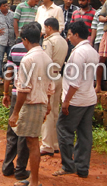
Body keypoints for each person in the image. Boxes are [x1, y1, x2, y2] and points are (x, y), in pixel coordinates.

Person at [9, 24, 55, 186]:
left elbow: (23, 89)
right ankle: (31, 179)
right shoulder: (47, 58)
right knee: (32, 141)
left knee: (32, 143)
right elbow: (50, 86)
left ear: (25, 40)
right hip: (41, 102)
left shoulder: (28, 59)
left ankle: (34, 181)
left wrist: (15, 113)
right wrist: (48, 104)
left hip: (31, 104)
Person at [53, 20, 99, 179]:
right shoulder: (92, 51)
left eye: (70, 34)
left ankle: (68, 165)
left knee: (63, 129)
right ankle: (82, 168)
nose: (68, 37)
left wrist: (66, 102)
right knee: (85, 134)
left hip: (76, 100)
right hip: (89, 99)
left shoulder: (78, 53)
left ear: (77, 35)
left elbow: (74, 82)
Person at [1, 26, 33, 181]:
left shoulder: (14, 49)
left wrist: (6, 93)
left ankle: (7, 166)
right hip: (28, 95)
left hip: (14, 94)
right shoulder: (37, 51)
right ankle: (20, 169)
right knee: (24, 133)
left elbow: (9, 73)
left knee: (12, 131)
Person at [40, 17, 67, 157]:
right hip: (59, 75)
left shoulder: (49, 41)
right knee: (55, 110)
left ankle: (47, 144)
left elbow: (46, 61)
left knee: (47, 110)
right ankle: (55, 143)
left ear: (49, 27)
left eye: (45, 28)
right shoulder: (63, 40)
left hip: (49, 76)